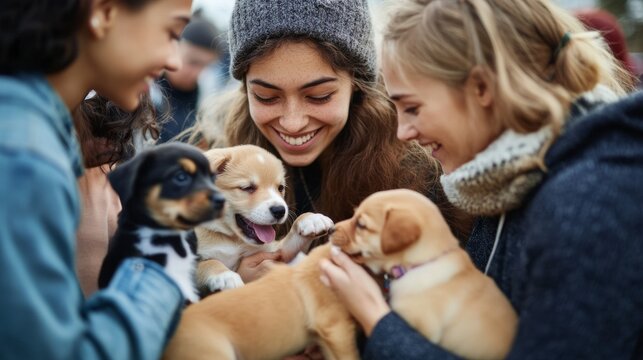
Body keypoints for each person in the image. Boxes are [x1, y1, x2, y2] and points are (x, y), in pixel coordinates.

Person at [319, 0, 643, 358]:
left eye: (412, 107)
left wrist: (377, 321)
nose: (402, 132)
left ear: (481, 89)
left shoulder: (587, 204)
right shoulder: (508, 181)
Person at [189, 0, 473, 283]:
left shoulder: (421, 172)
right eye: (266, 96)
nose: (293, 122)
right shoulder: (220, 159)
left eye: (320, 95)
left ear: (356, 84)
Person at [0, 0, 192, 358]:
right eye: (171, 32)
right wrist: (160, 265)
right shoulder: (24, 157)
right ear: (103, 13)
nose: (174, 61)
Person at [73, 93, 160, 297]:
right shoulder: (89, 182)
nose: (111, 146)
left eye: (120, 136)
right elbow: (91, 296)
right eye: (102, 133)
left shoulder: (107, 176)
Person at [155, 16, 223, 143]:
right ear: (173, 47)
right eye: (192, 62)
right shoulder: (144, 90)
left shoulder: (204, 100)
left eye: (205, 66)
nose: (198, 73)